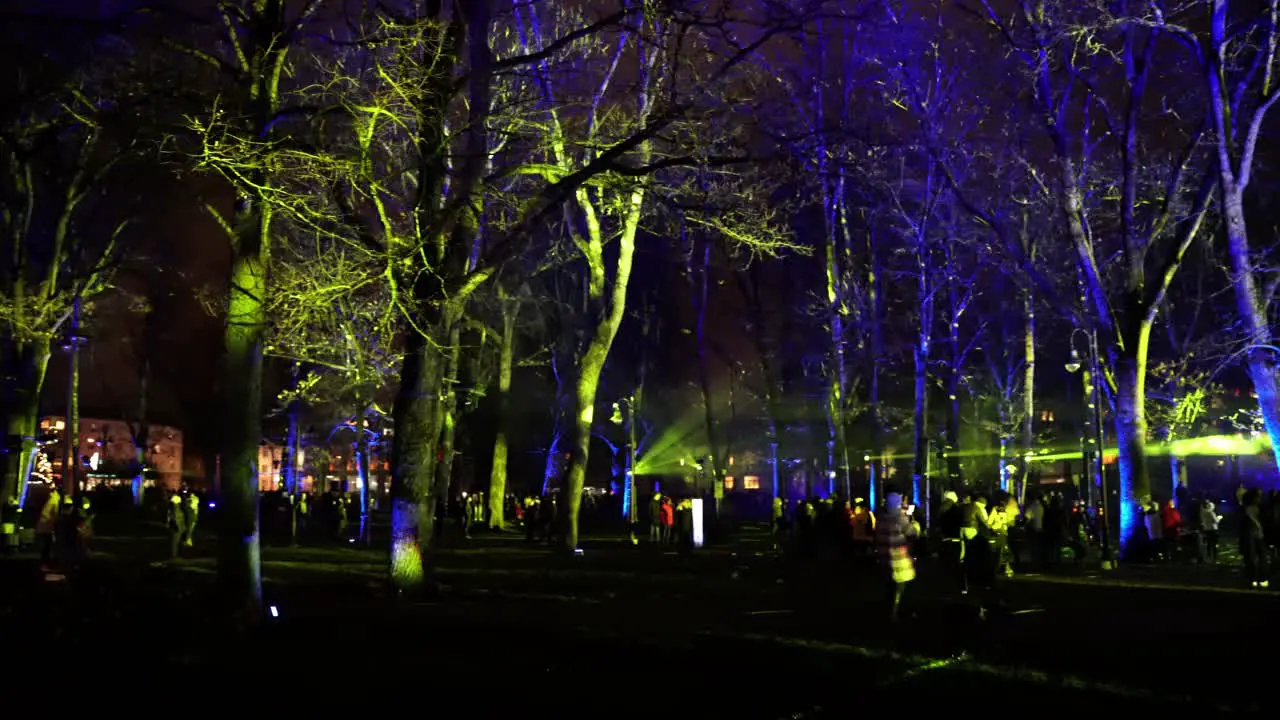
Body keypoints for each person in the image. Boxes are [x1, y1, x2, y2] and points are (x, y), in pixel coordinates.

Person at [874, 492, 918, 622]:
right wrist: (911, 522)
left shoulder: (881, 518)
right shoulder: (899, 518)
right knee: (901, 585)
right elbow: (912, 532)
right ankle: (895, 611)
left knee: (888, 585)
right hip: (899, 557)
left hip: (884, 555)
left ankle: (889, 610)